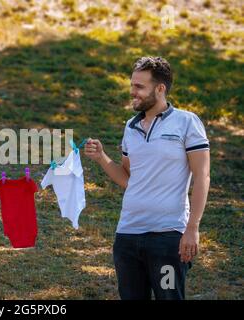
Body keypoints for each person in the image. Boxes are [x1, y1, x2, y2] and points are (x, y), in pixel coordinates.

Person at [84, 57, 210, 300]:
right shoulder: (131, 128)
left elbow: (202, 177)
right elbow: (129, 179)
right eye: (132, 85)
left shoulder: (186, 122)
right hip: (127, 236)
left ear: (160, 89)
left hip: (168, 237)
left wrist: (192, 228)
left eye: (139, 87)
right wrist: (101, 157)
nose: (133, 92)